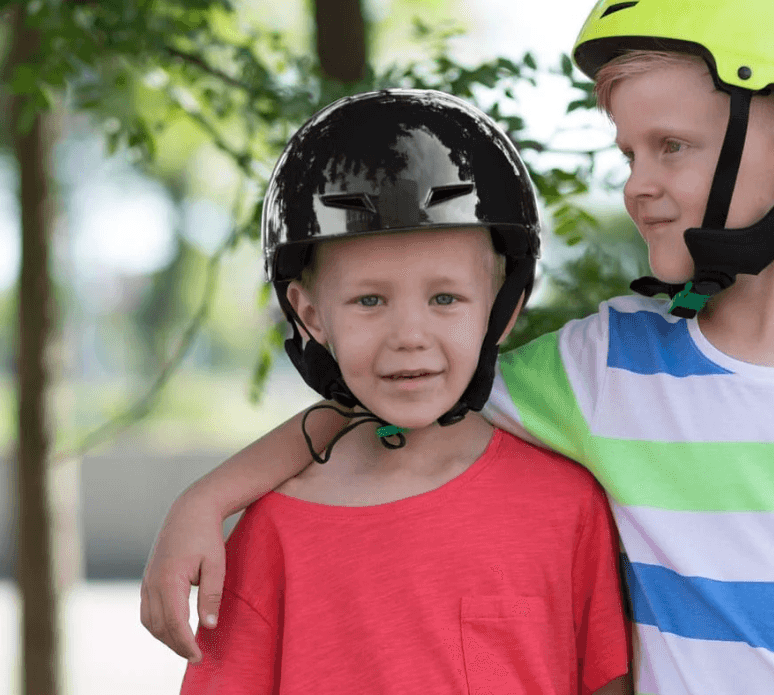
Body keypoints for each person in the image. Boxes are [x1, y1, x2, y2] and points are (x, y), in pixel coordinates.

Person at [147, 1, 774, 693]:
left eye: (670, 147)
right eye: (629, 151)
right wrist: (212, 495)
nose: (636, 182)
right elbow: (407, 385)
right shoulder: (604, 366)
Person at [175, 89, 630, 695]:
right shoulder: (272, 536)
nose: (409, 336)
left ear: (505, 305)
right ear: (310, 314)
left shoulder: (569, 505)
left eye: (445, 298)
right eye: (369, 300)